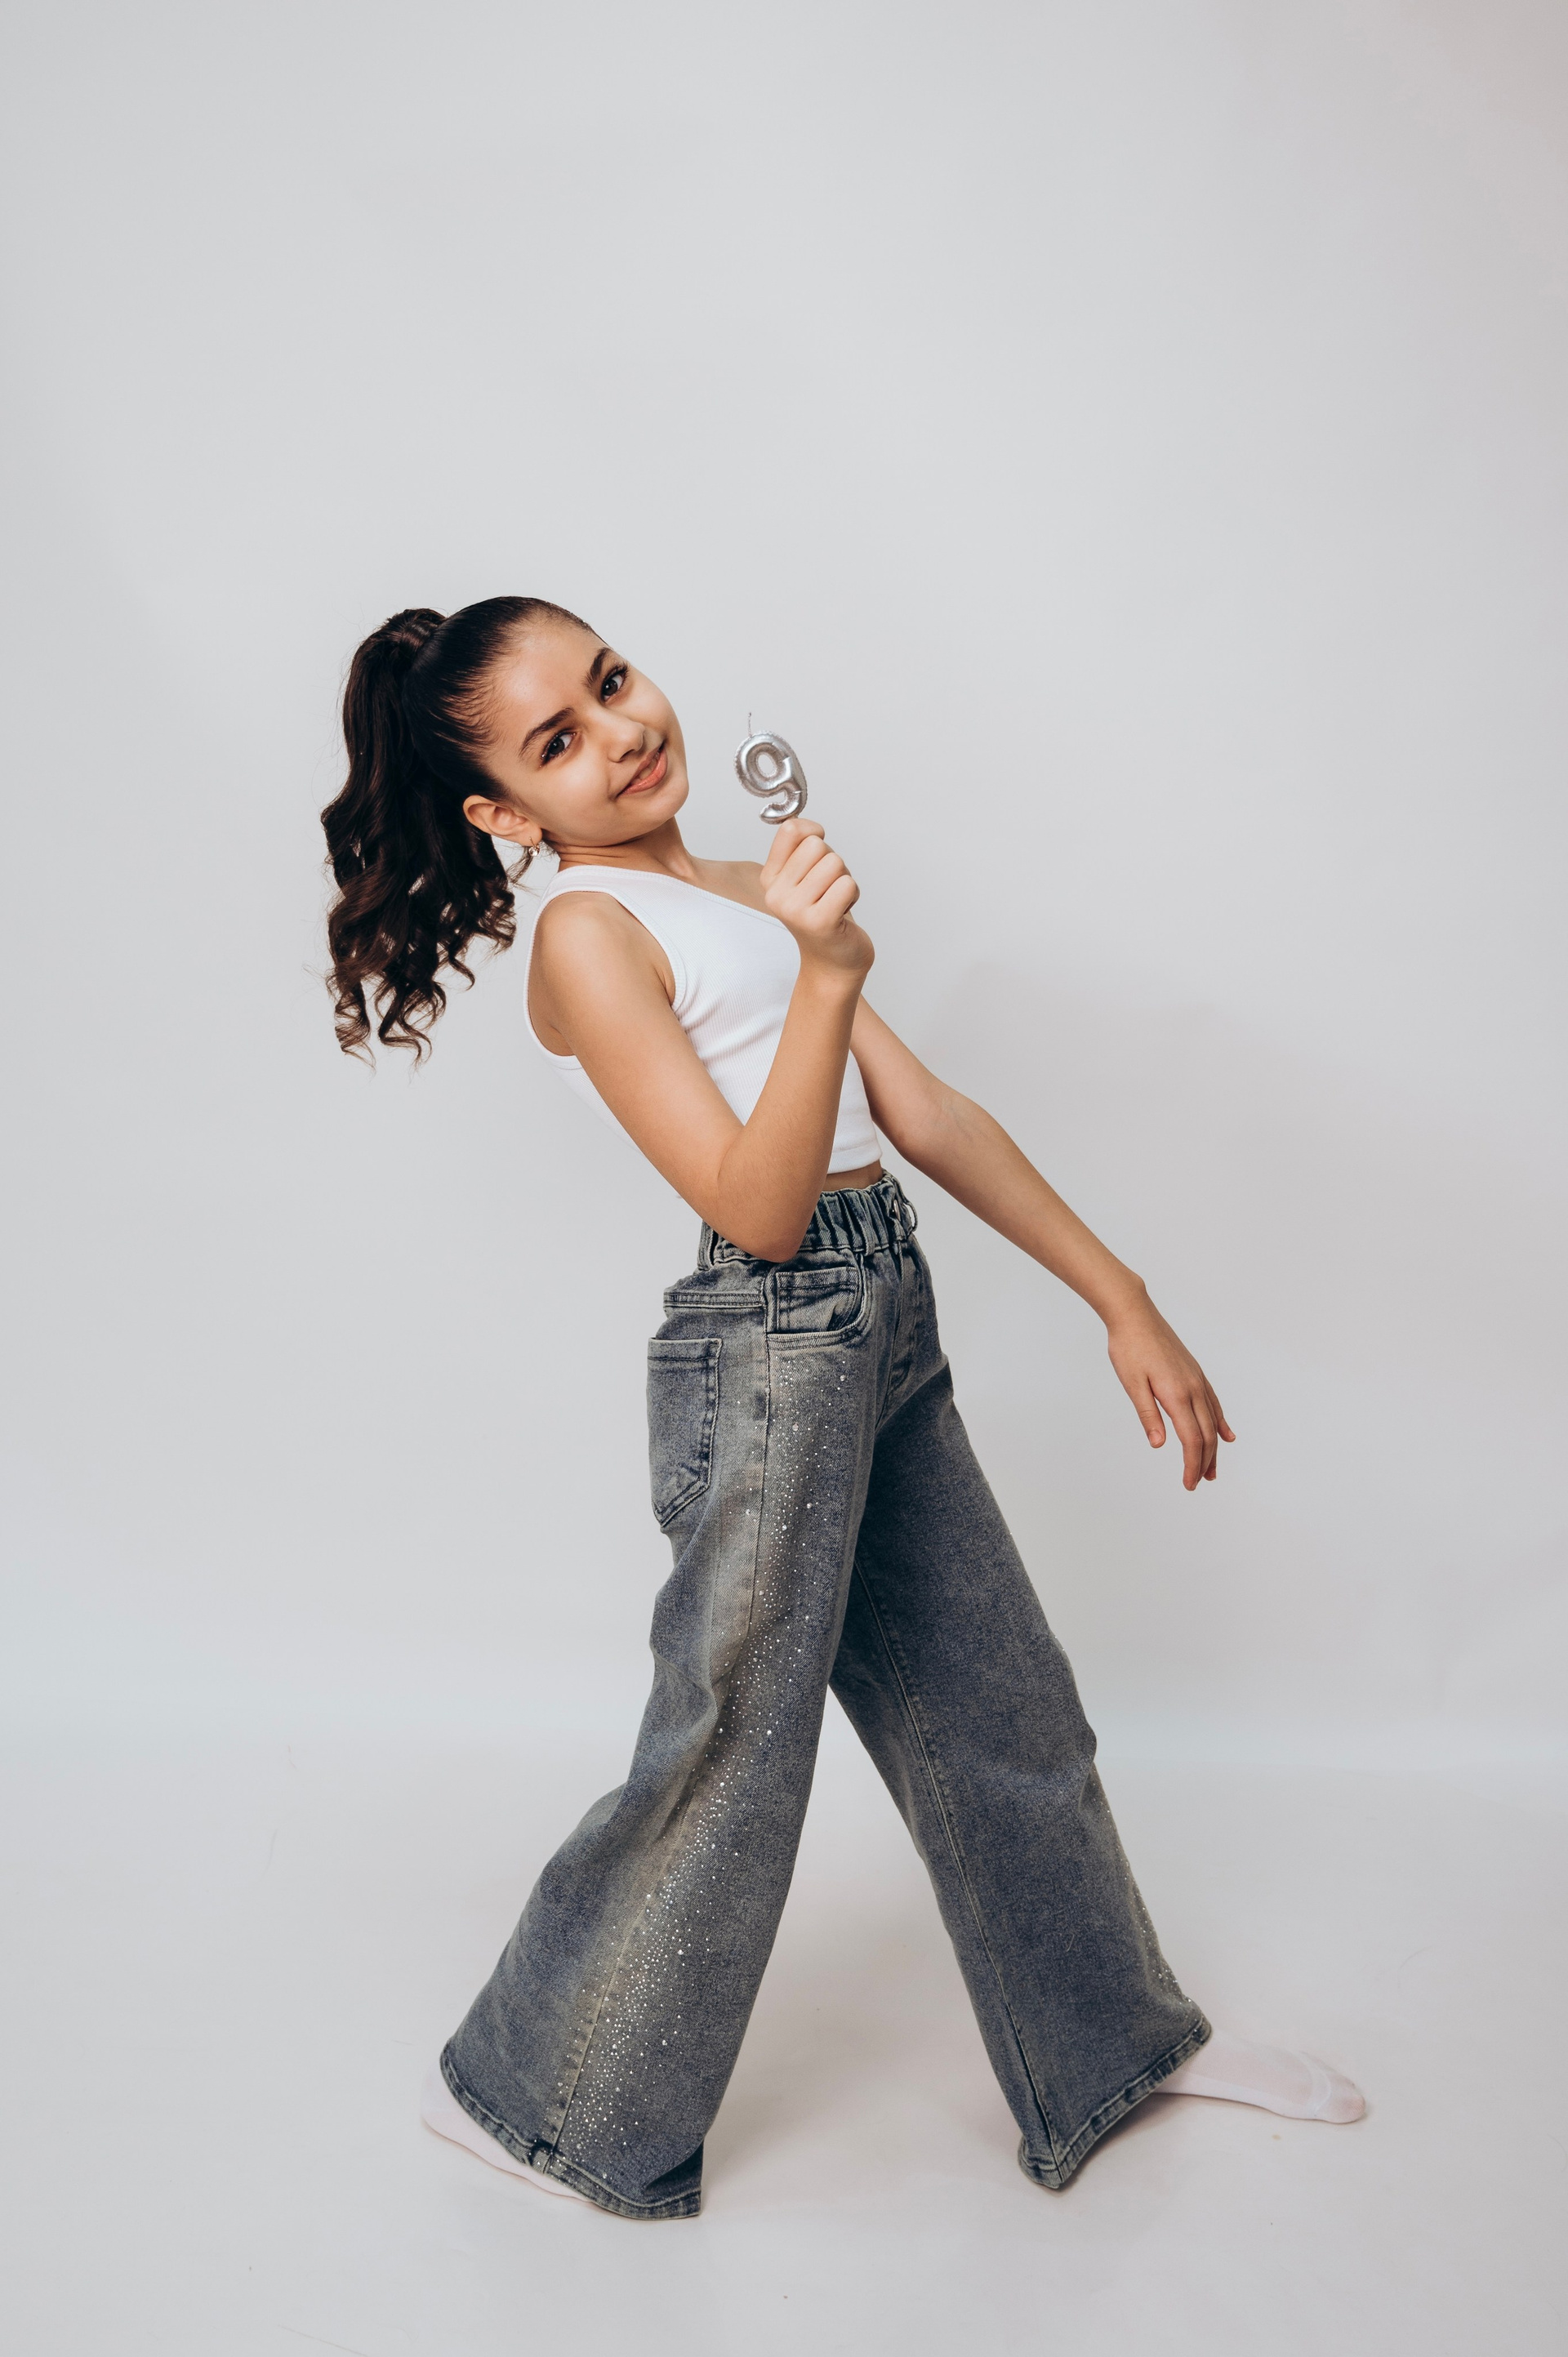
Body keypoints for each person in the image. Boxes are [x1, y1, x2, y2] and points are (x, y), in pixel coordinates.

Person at [321, 595, 1365, 2222]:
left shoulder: (739, 889)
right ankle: (533, 2098)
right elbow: (754, 1207)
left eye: (611, 679)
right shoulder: (589, 934)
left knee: (1002, 1705)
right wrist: (821, 976)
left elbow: (920, 1113)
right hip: (772, 1346)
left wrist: (1121, 1294)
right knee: (731, 1748)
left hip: (881, 1319)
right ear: (503, 812)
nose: (622, 731)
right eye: (559, 741)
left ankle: (1112, 2047)